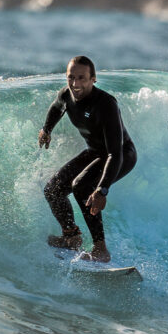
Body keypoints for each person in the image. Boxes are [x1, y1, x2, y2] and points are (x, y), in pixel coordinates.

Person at [37, 56, 137, 262]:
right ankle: (71, 237)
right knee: (53, 189)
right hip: (95, 151)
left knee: (82, 186)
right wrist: (46, 129)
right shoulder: (66, 95)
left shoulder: (106, 104)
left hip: (121, 155)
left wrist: (102, 189)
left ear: (93, 79)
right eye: (70, 77)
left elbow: (114, 153)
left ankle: (101, 249)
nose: (75, 84)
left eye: (81, 78)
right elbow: (57, 108)